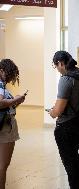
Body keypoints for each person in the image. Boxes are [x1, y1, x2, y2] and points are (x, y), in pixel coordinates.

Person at [49, 51, 79, 189]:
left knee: (70, 163)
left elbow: (58, 110)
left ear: (60, 63)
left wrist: (52, 112)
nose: (57, 69)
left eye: (56, 65)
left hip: (66, 126)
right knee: (75, 158)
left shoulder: (66, 79)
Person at [0, 59, 26, 189]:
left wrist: (16, 102)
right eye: (9, 75)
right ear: (1, 71)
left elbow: (5, 106)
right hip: (4, 128)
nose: (10, 79)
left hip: (4, 124)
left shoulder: (3, 86)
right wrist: (15, 99)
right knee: (2, 165)